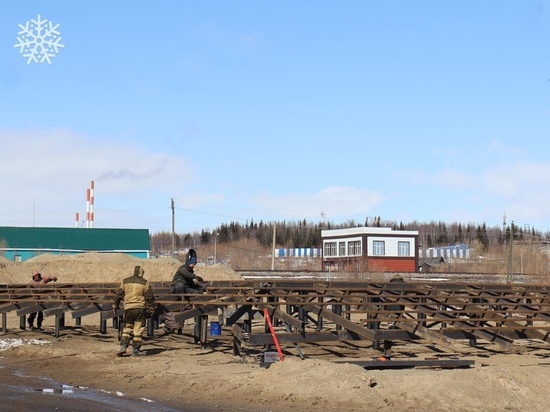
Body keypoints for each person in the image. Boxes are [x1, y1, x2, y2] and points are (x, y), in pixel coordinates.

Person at [113, 265, 156, 357]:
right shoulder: (145, 282)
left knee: (127, 328)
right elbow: (149, 297)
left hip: (128, 308)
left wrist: (115, 305)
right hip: (139, 308)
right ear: (141, 273)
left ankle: (123, 346)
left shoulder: (125, 281)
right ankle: (136, 350)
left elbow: (119, 294)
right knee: (138, 329)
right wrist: (152, 307)